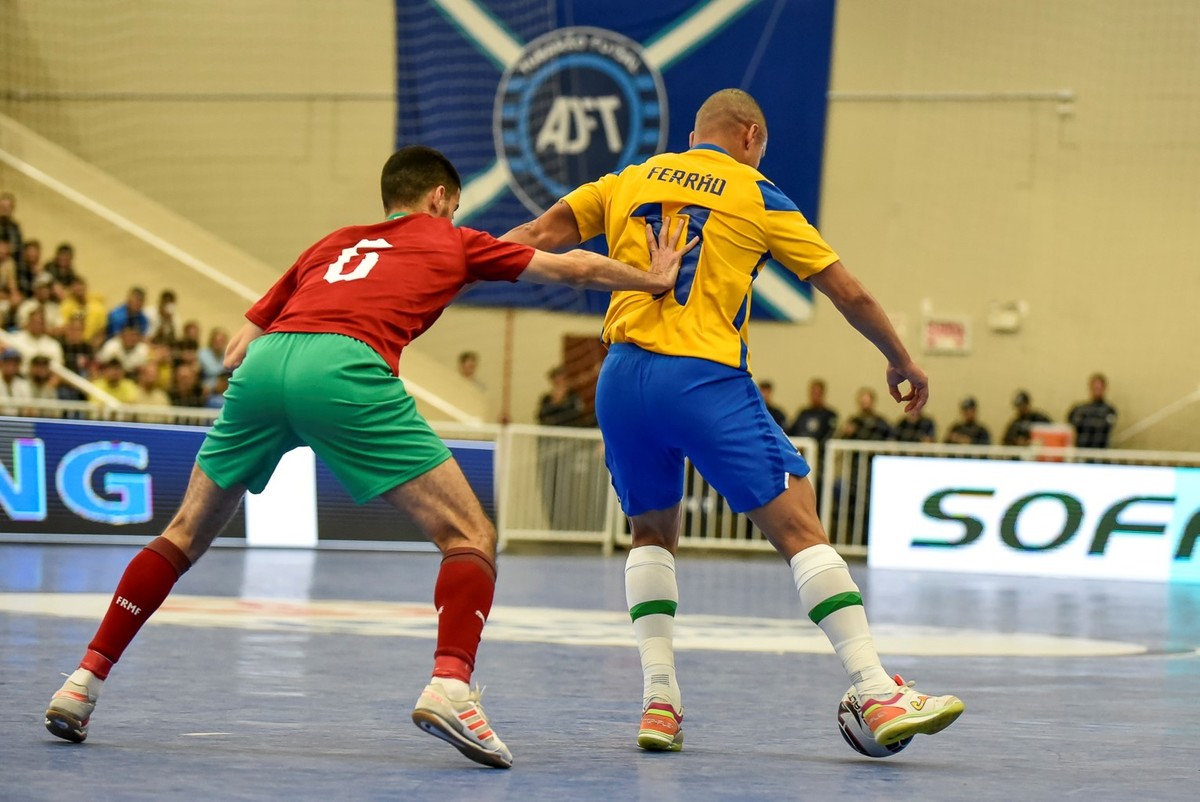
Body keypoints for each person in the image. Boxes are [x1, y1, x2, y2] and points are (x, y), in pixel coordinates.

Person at [43, 144, 695, 771]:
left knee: (184, 532)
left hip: (266, 364)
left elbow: (239, 345)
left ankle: (81, 683)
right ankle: (450, 686)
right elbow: (572, 268)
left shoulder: (332, 244)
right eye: (454, 206)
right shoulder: (453, 240)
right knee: (470, 533)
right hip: (344, 366)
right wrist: (654, 277)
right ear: (439, 199)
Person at [502, 88, 963, 754]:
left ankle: (659, 703)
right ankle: (875, 689)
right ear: (750, 136)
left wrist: (448, 260)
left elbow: (529, 240)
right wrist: (900, 358)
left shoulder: (626, 180)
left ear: (695, 136)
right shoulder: (758, 193)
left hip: (620, 378)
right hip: (701, 377)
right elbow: (847, 292)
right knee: (799, 526)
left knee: (650, 534)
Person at [1068, 372, 1117, 448]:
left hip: (1100, 452)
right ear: (1090, 388)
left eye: (1099, 388)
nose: (1097, 391)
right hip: (1081, 451)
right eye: (1095, 388)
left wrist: (1085, 419)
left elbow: (1104, 426)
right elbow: (1073, 423)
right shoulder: (1079, 409)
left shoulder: (1109, 410)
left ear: (1104, 389)